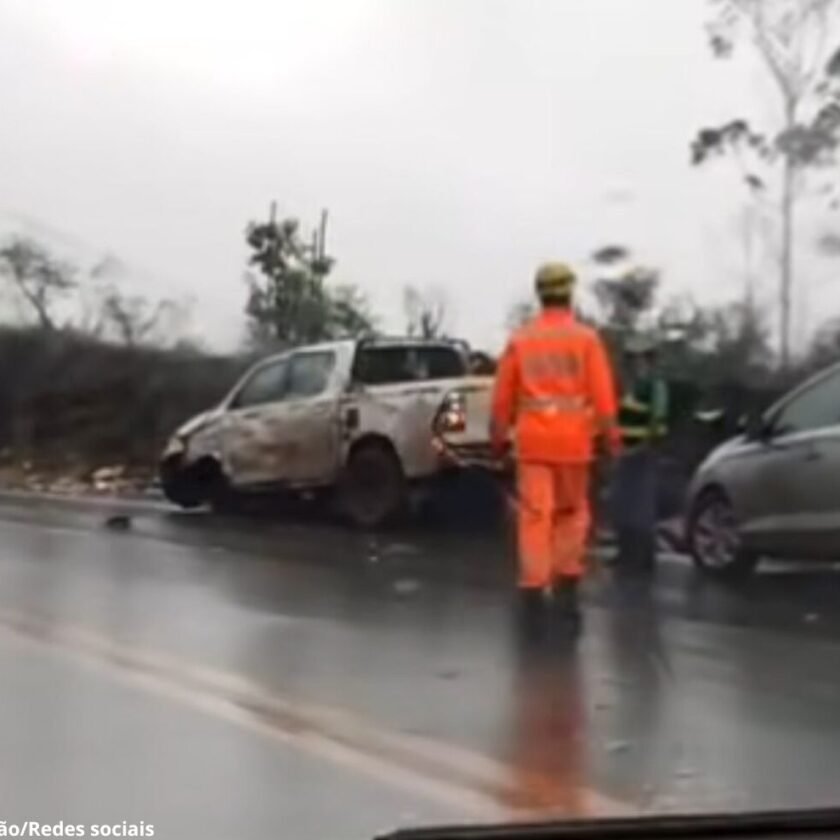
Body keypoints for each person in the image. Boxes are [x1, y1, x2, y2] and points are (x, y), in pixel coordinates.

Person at [490, 262, 621, 634]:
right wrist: (612, 441)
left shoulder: (521, 340)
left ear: (540, 294)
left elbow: (502, 400)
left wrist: (498, 442)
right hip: (575, 444)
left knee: (534, 517)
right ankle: (566, 587)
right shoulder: (586, 340)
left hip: (532, 443)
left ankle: (533, 591)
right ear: (570, 292)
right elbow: (603, 398)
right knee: (571, 515)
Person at [611, 336, 669, 575]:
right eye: (632, 360)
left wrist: (646, 444)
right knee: (623, 503)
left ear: (648, 360)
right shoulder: (629, 387)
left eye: (639, 359)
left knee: (641, 507)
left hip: (643, 452)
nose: (635, 364)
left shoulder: (655, 386)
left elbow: (658, 420)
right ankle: (625, 553)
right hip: (625, 452)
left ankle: (644, 559)